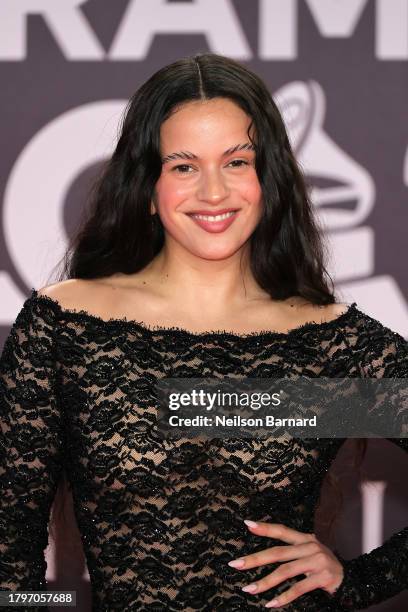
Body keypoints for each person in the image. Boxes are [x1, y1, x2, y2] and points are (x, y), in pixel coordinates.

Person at [0, 52, 407, 612]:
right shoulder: (67, 328)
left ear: (268, 178)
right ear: (148, 186)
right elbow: (8, 551)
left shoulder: (324, 344)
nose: (214, 193)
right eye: (184, 166)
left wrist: (361, 579)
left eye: (237, 162)